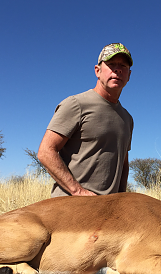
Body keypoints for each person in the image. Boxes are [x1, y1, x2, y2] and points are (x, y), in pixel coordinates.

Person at [37, 43, 134, 197]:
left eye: (123, 65)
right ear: (98, 71)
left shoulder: (127, 118)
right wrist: (78, 191)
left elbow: (123, 162)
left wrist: (121, 198)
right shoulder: (76, 104)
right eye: (111, 64)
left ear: (129, 75)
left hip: (108, 209)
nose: (117, 69)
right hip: (72, 205)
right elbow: (45, 151)